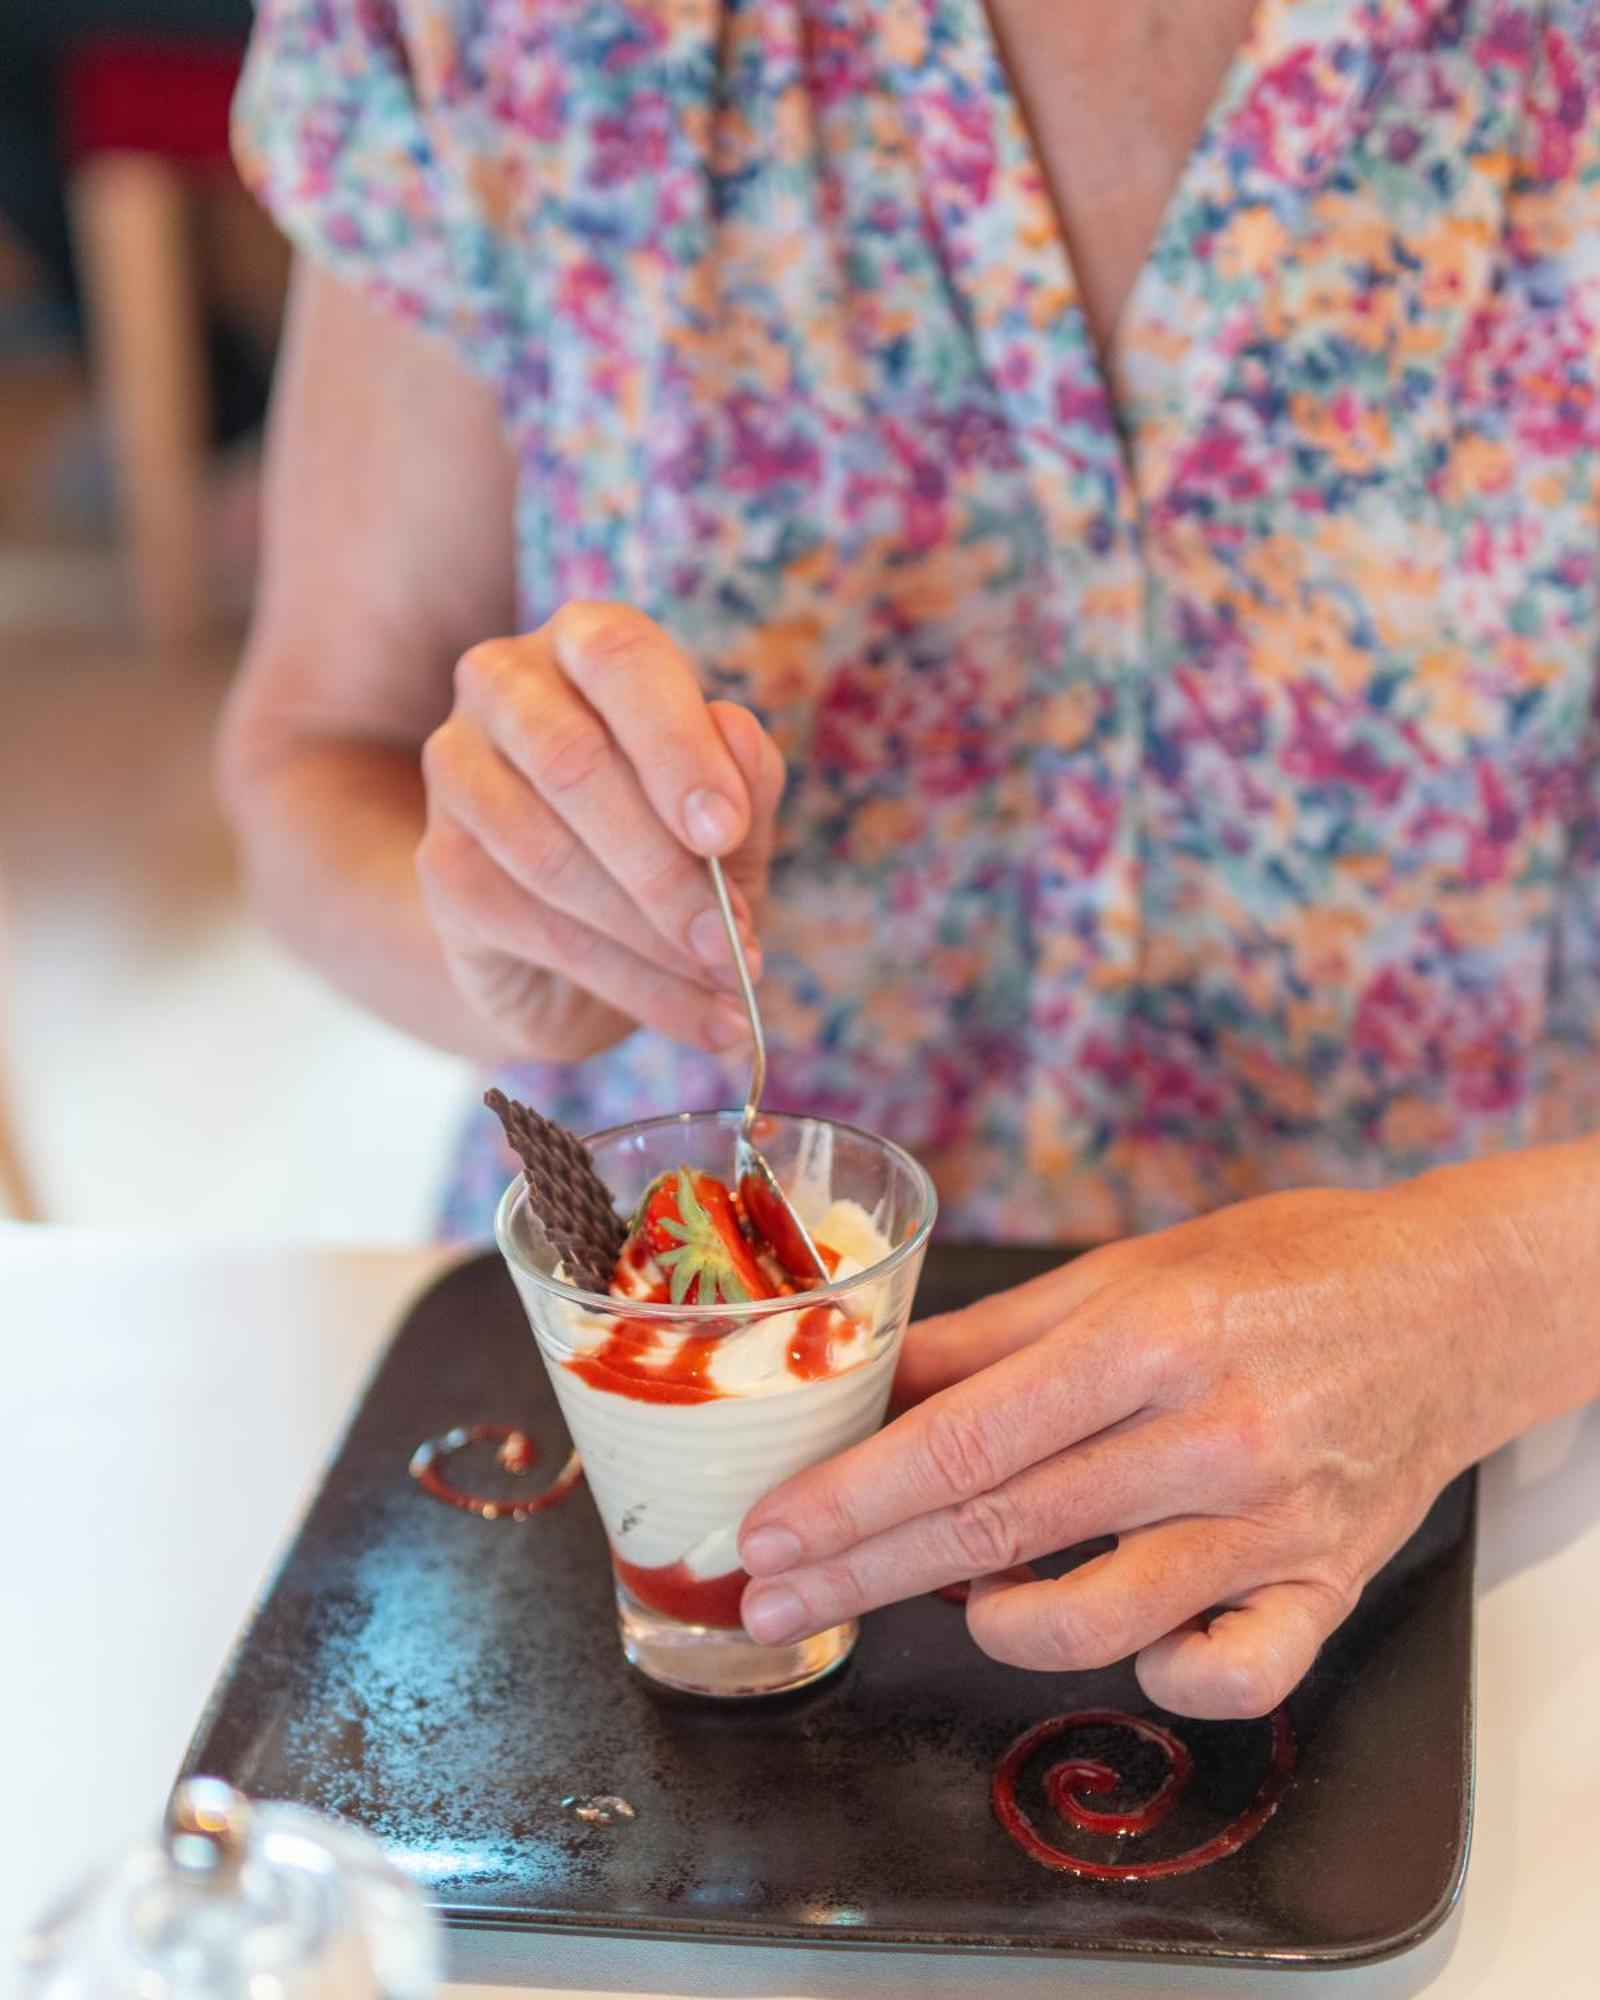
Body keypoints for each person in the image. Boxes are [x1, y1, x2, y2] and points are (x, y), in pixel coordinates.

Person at [220, 0, 1600, 1720]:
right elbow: (308, 758)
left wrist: (1504, 1290)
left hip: (1452, 1485)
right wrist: (502, 929)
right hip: (620, 1486)